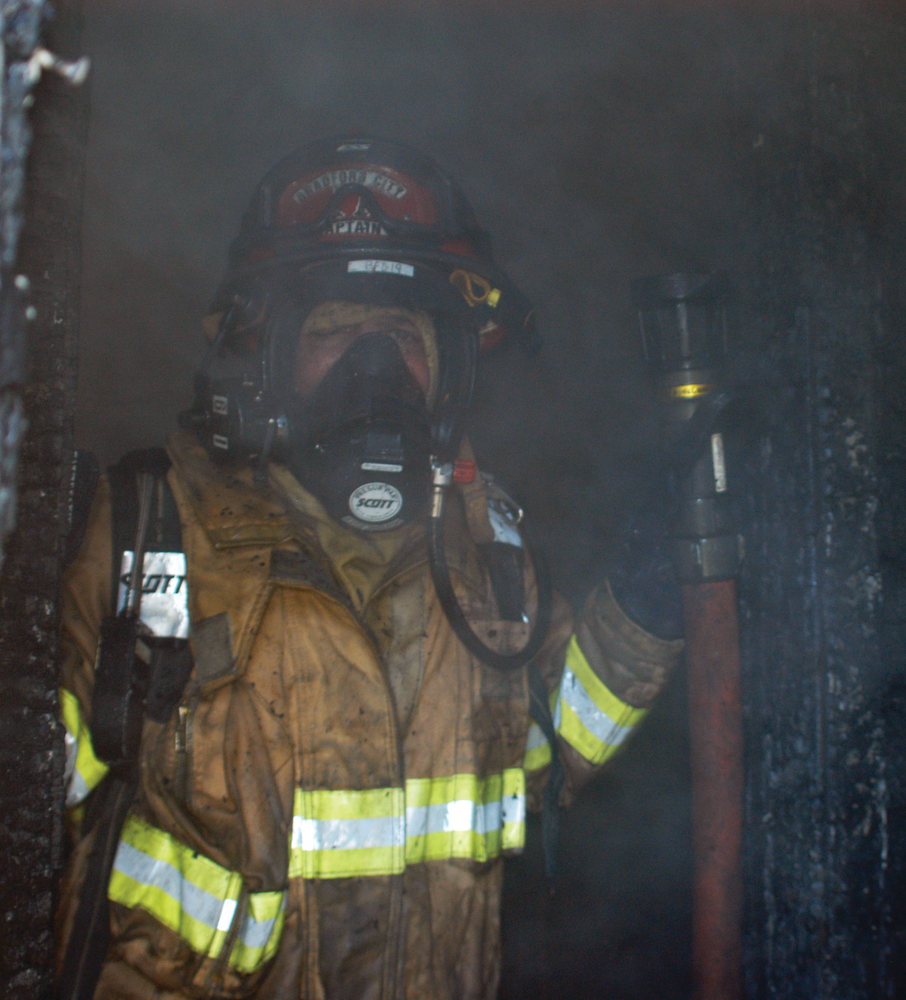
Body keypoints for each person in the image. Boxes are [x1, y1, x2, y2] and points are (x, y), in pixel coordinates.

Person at [56, 136, 684, 1000]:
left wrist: (649, 600)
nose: (375, 366)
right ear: (271, 357)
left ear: (449, 368)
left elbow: (553, 744)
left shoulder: (487, 548)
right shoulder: (151, 534)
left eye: (401, 333)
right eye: (334, 330)